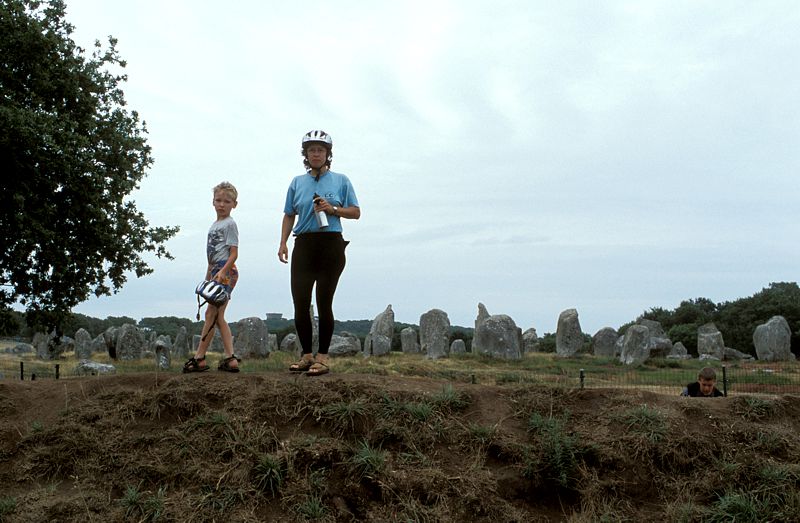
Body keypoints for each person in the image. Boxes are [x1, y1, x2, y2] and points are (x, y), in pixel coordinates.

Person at [278, 130, 360, 376]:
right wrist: (282, 242)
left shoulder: (341, 180)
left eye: (320, 150)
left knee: (324, 302)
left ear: (328, 154)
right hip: (303, 244)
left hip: (330, 244)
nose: (316, 154)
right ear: (306, 154)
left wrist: (333, 208)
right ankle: (306, 355)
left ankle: (323, 357)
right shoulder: (296, 182)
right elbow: (289, 214)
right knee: (300, 302)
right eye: (312, 150)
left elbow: (356, 212)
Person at [183, 181, 241, 373]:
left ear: (234, 204)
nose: (222, 204)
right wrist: (208, 276)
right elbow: (211, 255)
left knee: (213, 314)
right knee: (215, 316)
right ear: (213, 202)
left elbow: (233, 253)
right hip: (216, 270)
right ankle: (228, 357)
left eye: (227, 201)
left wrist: (223, 272)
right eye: (218, 200)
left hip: (225, 270)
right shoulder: (215, 225)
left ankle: (201, 357)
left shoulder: (230, 224)